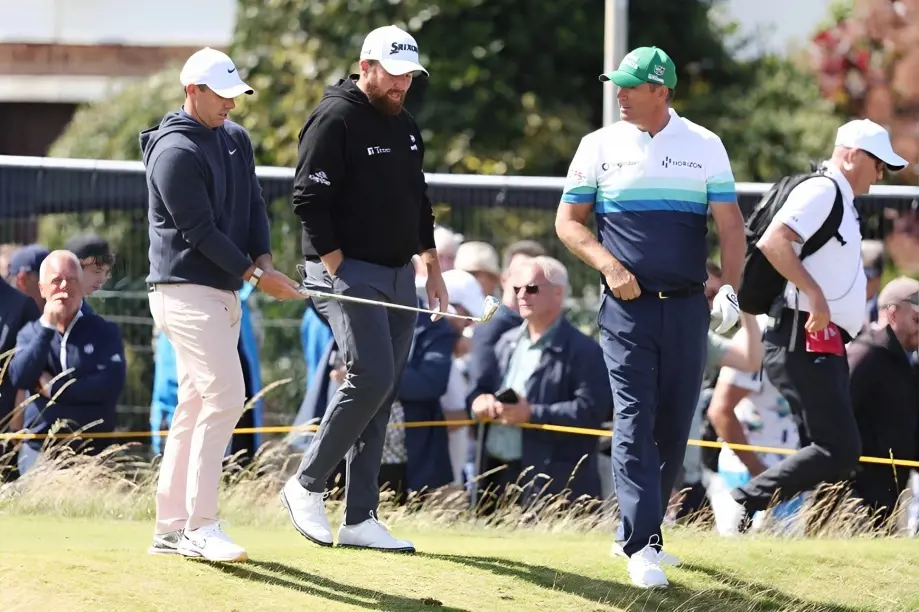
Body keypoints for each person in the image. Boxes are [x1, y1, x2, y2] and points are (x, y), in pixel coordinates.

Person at [554, 46, 746, 588]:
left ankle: (641, 534)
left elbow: (731, 227)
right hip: (626, 310)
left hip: (688, 308)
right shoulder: (598, 145)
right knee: (634, 422)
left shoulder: (705, 145)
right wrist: (609, 265)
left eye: (630, 86)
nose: (619, 94)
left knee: (672, 428)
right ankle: (640, 546)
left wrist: (729, 287)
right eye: (618, 84)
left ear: (661, 91)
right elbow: (568, 223)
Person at [280, 24, 447, 554]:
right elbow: (308, 198)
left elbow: (417, 199)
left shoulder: (407, 125)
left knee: (384, 388)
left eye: (409, 79)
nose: (401, 87)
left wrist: (431, 265)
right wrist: (338, 266)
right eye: (393, 76)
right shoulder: (335, 117)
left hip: (399, 272)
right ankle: (305, 484)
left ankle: (360, 516)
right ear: (366, 67)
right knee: (370, 374)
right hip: (346, 271)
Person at [139, 46, 303, 563]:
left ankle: (170, 529)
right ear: (194, 91)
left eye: (235, 95)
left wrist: (265, 258)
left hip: (225, 291)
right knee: (226, 397)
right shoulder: (173, 152)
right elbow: (200, 230)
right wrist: (258, 276)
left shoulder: (234, 138)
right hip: (183, 292)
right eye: (223, 96)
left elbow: (254, 201)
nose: (231, 106)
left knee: (194, 406)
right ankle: (200, 525)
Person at [711, 119, 910, 537]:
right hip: (804, 335)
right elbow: (774, 242)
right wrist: (814, 294)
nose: (881, 175)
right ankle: (744, 502)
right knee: (839, 448)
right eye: (878, 164)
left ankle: (769, 517)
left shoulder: (838, 197)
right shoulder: (822, 190)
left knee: (833, 449)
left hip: (820, 338)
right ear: (851, 154)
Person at [7, 250, 126, 475]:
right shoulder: (29, 334)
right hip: (39, 453)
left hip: (93, 452)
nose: (64, 286)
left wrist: (52, 388)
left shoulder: (104, 331)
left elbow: (110, 385)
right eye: (56, 280)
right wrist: (47, 329)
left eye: (71, 280)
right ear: (42, 288)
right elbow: (20, 376)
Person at [847, 276, 919, 530]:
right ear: (893, 314)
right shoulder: (865, 355)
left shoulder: (908, 363)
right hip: (855, 495)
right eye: (917, 319)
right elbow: (839, 418)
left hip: (892, 493)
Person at [63, 233, 115, 315]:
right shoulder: (44, 308)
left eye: (106, 273)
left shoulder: (85, 311)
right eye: (96, 271)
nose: (102, 280)